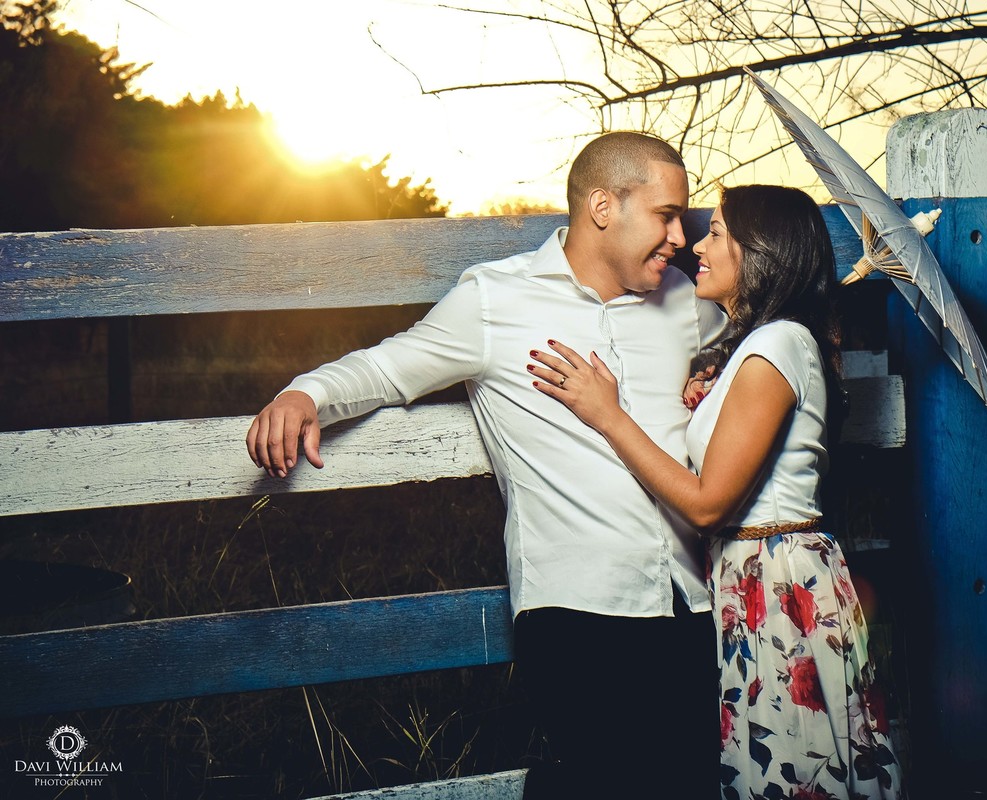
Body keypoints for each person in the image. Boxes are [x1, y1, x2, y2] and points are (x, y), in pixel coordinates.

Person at [245, 132, 727, 800]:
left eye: (685, 217)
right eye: (665, 214)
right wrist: (306, 394)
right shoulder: (497, 300)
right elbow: (389, 366)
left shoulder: (688, 303)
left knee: (693, 785)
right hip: (578, 609)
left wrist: (716, 376)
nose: (680, 234)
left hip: (693, 603)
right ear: (601, 207)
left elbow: (749, 359)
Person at [527, 184, 905, 799]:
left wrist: (607, 414)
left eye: (718, 233)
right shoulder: (759, 347)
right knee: (776, 768)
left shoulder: (779, 342)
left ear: (762, 255)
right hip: (750, 581)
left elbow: (708, 503)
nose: (697, 245)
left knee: (796, 773)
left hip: (780, 586)